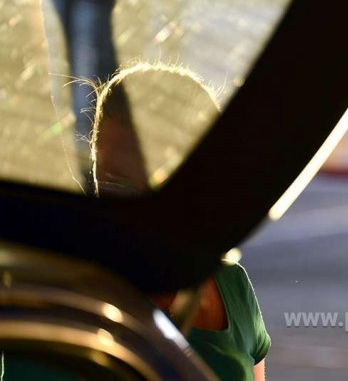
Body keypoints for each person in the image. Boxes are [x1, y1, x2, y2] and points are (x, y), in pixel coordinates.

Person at [90, 62, 270, 380]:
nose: (129, 206)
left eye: (153, 183)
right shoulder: (70, 294)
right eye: (113, 183)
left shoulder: (231, 285)